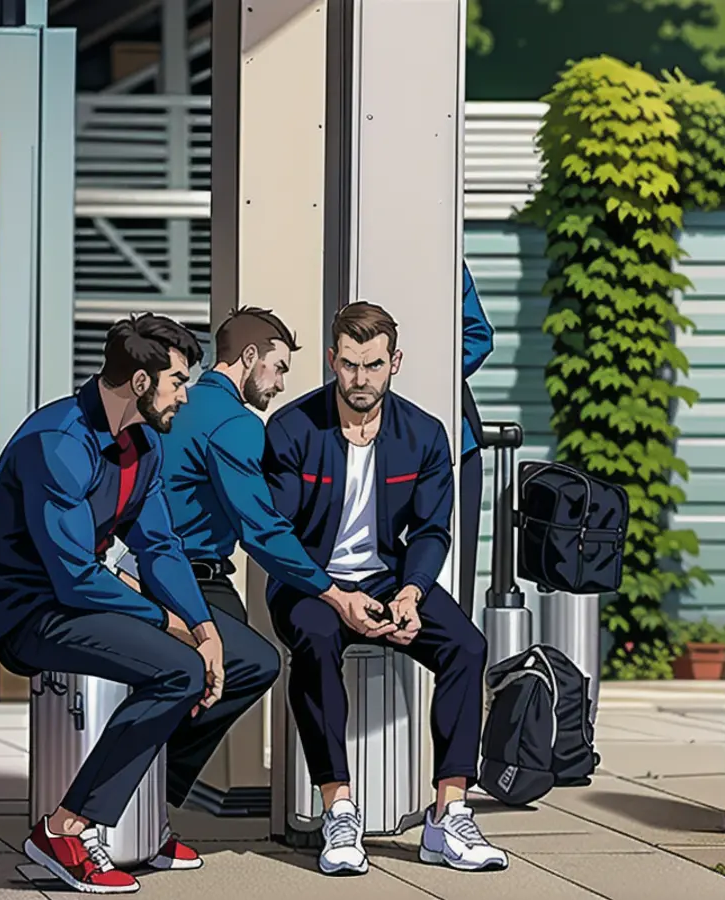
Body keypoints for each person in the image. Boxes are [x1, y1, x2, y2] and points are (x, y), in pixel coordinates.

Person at [0, 314, 280, 894]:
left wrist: (203, 624)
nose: (186, 396)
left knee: (249, 661)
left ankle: (146, 805)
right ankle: (65, 829)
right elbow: (72, 579)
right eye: (178, 382)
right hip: (33, 611)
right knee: (179, 670)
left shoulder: (144, 439)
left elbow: (159, 544)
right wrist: (173, 625)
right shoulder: (58, 442)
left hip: (85, 595)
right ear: (141, 383)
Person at [263, 300, 508, 875]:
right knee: (316, 642)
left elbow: (429, 530)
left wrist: (412, 594)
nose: (360, 379)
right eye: (348, 365)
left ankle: (449, 813)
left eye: (372, 365)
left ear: (394, 362)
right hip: (309, 582)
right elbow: (276, 535)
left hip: (386, 578)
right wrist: (334, 595)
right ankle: (339, 811)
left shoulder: (423, 433)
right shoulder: (294, 428)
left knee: (466, 647)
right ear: (331, 360)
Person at [115, 306, 355, 628]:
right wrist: (334, 594)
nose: (281, 384)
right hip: (192, 581)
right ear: (250, 355)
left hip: (134, 571)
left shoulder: (171, 406)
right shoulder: (236, 423)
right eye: (278, 368)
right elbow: (260, 529)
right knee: (253, 665)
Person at [458, 260, 494, 618]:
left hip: (458, 441)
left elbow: (478, 335)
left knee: (457, 561)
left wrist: (432, 372)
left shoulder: (442, 252)